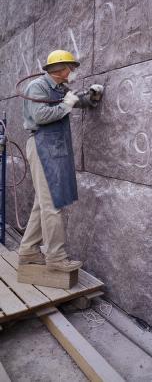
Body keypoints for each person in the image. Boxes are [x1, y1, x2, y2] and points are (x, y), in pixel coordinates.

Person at [18, 50, 103, 272]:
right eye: (70, 67)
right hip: (41, 146)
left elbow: (75, 101)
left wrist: (91, 96)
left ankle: (27, 250)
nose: (73, 71)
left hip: (52, 147)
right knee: (52, 204)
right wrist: (66, 104)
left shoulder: (59, 88)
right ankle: (55, 257)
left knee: (42, 203)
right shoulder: (37, 87)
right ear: (60, 69)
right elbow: (41, 116)